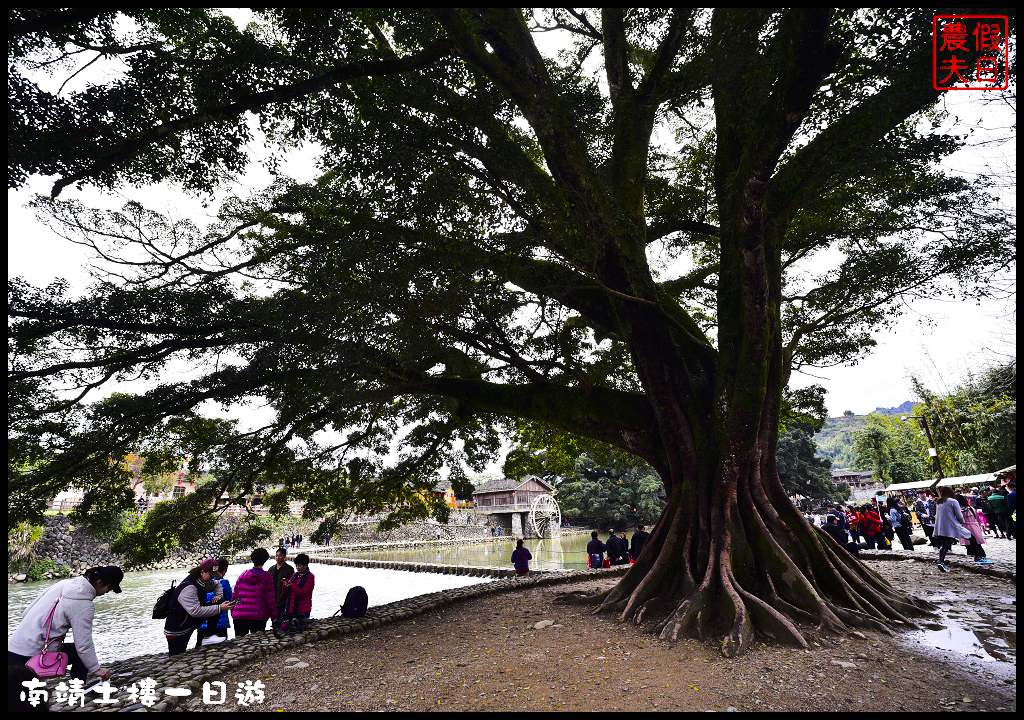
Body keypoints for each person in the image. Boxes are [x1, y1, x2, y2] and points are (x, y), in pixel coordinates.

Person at [8, 565, 123, 682]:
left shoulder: (63, 584)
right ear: (99, 582)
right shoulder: (83, 604)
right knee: (79, 655)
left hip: (13, 648)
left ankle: (78, 688)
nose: (107, 592)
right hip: (31, 655)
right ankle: (78, 689)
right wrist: (96, 669)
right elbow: (83, 645)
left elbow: (26, 612)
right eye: (109, 588)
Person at [164, 558, 233, 656]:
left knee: (218, 602)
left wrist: (218, 596)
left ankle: (208, 636)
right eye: (211, 575)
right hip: (177, 629)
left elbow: (217, 585)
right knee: (176, 656)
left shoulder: (202, 582)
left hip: (189, 622)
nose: (212, 578)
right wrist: (220, 608)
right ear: (202, 572)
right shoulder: (190, 587)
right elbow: (195, 611)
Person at [231, 548, 279, 636]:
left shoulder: (243, 575)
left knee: (239, 643)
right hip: (258, 615)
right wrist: (274, 617)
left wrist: (233, 611)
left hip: (239, 615)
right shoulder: (267, 577)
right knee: (256, 643)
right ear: (265, 560)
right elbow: (270, 600)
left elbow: (235, 595)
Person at [933, 486, 973, 572]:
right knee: (971, 537)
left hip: (941, 528)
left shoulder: (939, 502)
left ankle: (941, 562)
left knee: (945, 545)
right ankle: (978, 557)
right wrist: (962, 521)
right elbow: (959, 516)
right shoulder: (953, 501)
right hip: (951, 526)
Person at [195, 557, 232, 648]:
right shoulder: (224, 582)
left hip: (202, 623)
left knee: (200, 648)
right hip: (221, 623)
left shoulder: (201, 583)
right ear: (224, 570)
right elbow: (229, 599)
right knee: (221, 648)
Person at [281, 553, 316, 621]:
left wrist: (292, 585)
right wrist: (285, 585)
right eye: (296, 565)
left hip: (303, 609)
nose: (297, 567)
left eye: (299, 566)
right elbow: (286, 591)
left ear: (305, 565)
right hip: (292, 608)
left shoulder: (310, 577)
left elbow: (304, 592)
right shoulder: (295, 575)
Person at [958, 497, 993, 564]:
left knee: (969, 546)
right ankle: (982, 557)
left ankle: (976, 558)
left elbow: (961, 519)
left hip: (967, 527)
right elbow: (977, 518)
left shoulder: (961, 510)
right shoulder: (971, 508)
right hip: (975, 526)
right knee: (977, 544)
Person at [271, 547, 295, 620]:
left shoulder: (289, 569)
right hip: (272, 599)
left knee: (281, 620)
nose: (278, 557)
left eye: (280, 555)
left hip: (283, 599)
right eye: (277, 555)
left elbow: (292, 584)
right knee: (273, 621)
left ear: (284, 556)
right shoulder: (271, 569)